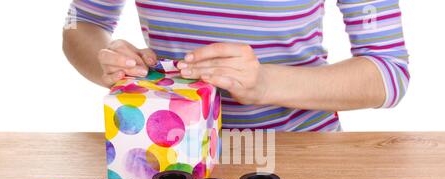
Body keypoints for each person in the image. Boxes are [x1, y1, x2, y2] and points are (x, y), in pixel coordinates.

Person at [63, 0, 409, 132]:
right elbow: (80, 23)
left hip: (299, 152)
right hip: (169, 156)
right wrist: (110, 61)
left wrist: (266, 84)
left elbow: (388, 73)